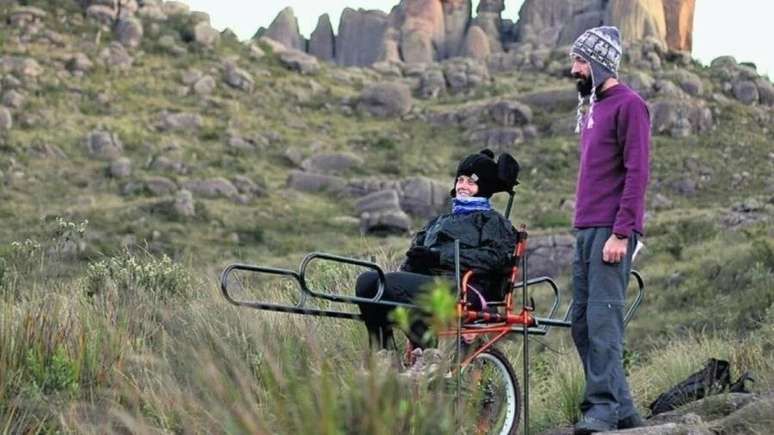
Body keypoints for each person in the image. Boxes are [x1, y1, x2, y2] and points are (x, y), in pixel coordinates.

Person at [568, 26, 651, 434]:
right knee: (581, 322)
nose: (574, 69)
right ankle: (624, 411)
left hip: (610, 230)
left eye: (581, 61)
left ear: (600, 63)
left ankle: (602, 409)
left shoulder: (629, 105)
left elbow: (637, 174)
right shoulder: (592, 108)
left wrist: (622, 233)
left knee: (603, 321)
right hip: (585, 229)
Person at [355, 149, 518, 350]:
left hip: (466, 290)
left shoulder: (493, 221)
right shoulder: (439, 221)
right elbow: (416, 255)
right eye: (460, 180)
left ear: (483, 187)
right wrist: (415, 261)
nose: (463, 186)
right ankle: (384, 353)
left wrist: (440, 257)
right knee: (368, 283)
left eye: (471, 182)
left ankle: (426, 351)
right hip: (431, 283)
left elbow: (495, 258)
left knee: (391, 284)